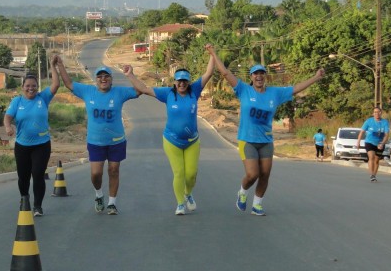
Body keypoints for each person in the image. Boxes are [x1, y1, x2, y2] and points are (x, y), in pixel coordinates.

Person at [207, 44, 325, 216]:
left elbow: (296, 88)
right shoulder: (243, 90)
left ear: (265, 76)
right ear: (251, 77)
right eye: (256, 74)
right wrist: (213, 53)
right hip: (247, 139)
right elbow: (225, 73)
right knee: (252, 174)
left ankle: (257, 204)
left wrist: (315, 77)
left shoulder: (275, 93)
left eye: (262, 73)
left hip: (266, 141)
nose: (259, 76)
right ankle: (242, 191)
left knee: (265, 174)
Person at [123, 52, 214, 215]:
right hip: (172, 141)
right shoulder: (168, 94)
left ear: (188, 82)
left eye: (185, 81)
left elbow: (208, 73)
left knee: (191, 175)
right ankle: (180, 204)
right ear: (175, 82)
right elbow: (143, 89)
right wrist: (131, 75)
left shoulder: (195, 91)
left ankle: (187, 194)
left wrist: (212, 53)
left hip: (192, 141)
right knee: (179, 172)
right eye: (179, 81)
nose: (182, 84)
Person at [56, 59, 140, 215]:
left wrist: (131, 75)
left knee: (114, 170)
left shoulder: (119, 92)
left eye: (106, 76)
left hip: (116, 141)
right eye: (100, 76)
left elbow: (139, 90)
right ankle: (99, 195)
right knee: (96, 174)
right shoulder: (87, 91)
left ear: (111, 79)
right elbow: (69, 84)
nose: (103, 79)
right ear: (96, 80)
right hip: (95, 141)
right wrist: (60, 65)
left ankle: (112, 203)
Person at [4, 55, 60, 217]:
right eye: (28, 86)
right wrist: (8, 126)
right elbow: (8, 117)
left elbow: (56, 84)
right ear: (23, 87)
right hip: (22, 145)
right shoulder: (17, 102)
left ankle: (37, 206)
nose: (31, 88)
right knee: (23, 176)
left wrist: (52, 65)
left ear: (37, 87)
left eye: (34, 86)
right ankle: (24, 196)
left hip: (42, 144)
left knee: (37, 174)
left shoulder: (43, 98)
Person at [356, 107, 390, 182]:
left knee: (377, 160)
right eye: (375, 112)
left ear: (381, 113)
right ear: (373, 113)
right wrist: (358, 142)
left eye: (378, 112)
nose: (376, 113)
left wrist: (382, 143)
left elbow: (386, 134)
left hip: (380, 143)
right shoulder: (368, 121)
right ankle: (371, 175)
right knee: (371, 157)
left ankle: (374, 174)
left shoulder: (385, 122)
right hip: (369, 142)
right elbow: (362, 132)